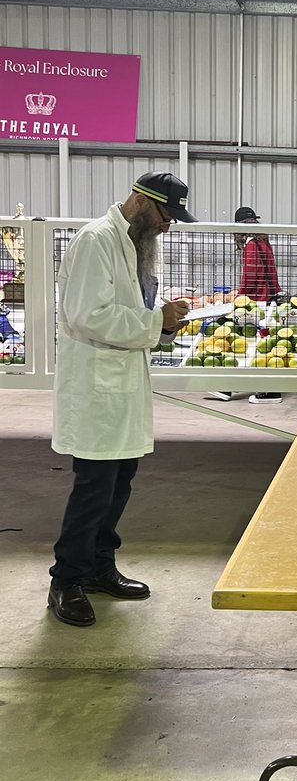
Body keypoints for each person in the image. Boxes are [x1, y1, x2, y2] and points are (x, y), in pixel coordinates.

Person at [48, 172, 195, 627]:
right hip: (96, 387)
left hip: (124, 385)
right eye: (165, 214)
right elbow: (89, 315)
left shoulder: (135, 244)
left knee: (119, 483)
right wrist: (156, 324)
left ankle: (99, 567)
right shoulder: (96, 240)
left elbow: (132, 310)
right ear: (140, 201)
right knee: (94, 489)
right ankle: (66, 579)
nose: (168, 225)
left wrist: (165, 320)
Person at [206, 206, 283, 404]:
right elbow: (271, 273)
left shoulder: (250, 244)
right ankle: (231, 388)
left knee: (243, 344)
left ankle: (265, 391)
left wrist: (240, 296)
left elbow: (249, 275)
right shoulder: (264, 241)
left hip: (254, 304)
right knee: (259, 346)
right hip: (267, 301)